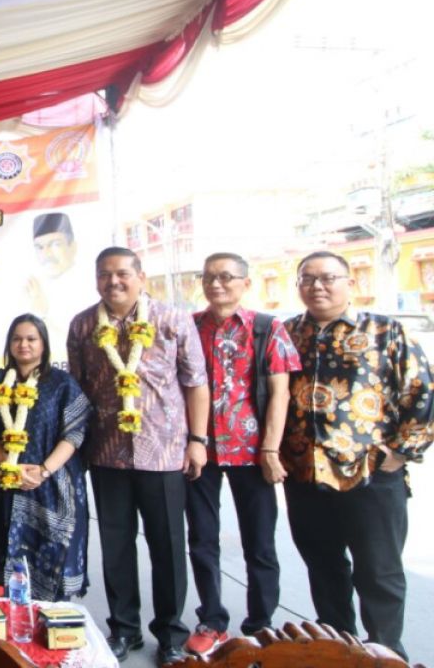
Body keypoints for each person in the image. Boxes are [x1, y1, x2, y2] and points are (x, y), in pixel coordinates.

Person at [281, 251, 433, 660]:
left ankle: (385, 655)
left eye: (328, 277)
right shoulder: (287, 334)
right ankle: (337, 651)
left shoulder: (385, 331)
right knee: (324, 568)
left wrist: (400, 453)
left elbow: (421, 392)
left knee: (379, 573)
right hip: (305, 474)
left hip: (370, 475)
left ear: (350, 283)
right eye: (308, 278)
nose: (317, 286)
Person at [66, 247, 209, 666]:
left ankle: (171, 634)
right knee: (116, 546)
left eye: (122, 273)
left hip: (163, 453)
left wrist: (197, 440)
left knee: (168, 546)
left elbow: (196, 383)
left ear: (141, 277)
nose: (113, 282)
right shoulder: (83, 325)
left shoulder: (172, 319)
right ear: (96, 279)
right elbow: (77, 390)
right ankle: (124, 629)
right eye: (105, 274)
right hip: (107, 454)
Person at [183, 253, 300, 656]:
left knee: (260, 544)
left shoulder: (267, 328)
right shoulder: (190, 326)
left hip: (252, 453)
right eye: (208, 277)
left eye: (226, 277)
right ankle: (212, 620)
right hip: (201, 449)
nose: (216, 284)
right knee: (202, 539)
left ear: (245, 284)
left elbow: (280, 394)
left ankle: (260, 626)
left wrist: (270, 448)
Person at [0, 314, 89, 601]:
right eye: (17, 339)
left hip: (51, 484)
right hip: (5, 483)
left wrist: (43, 471)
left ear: (43, 344)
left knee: (52, 554)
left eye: (31, 339)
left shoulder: (62, 383)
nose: (23, 345)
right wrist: (7, 464)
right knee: (8, 556)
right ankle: (14, 618)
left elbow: (74, 434)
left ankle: (53, 619)